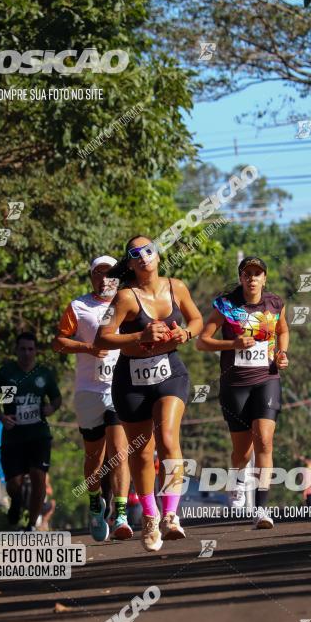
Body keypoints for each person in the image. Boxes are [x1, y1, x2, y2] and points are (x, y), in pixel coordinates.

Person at [94, 236, 203, 552]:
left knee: (168, 438)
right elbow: (103, 337)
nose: (143, 257)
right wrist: (140, 334)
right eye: (135, 254)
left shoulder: (176, 287)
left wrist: (187, 332)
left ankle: (171, 514)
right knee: (142, 452)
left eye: (148, 250)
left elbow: (196, 320)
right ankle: (151, 518)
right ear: (129, 263)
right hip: (131, 380)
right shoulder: (125, 298)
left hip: (170, 373)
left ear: (157, 255)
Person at [197, 256, 289, 529]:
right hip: (235, 384)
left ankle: (261, 509)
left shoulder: (275, 304)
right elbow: (202, 342)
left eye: (257, 273)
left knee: (264, 439)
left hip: (267, 379)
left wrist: (282, 353)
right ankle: (237, 481)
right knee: (242, 452)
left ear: (264, 278)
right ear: (240, 278)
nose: (252, 278)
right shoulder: (226, 305)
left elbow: (283, 330)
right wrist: (232, 343)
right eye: (247, 273)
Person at [52, 256, 133, 542]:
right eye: (98, 274)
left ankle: (121, 513)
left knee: (119, 449)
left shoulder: (127, 303)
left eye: (110, 274)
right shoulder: (78, 306)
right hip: (88, 390)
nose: (104, 279)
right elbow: (58, 342)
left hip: (118, 387)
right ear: (91, 278)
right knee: (93, 457)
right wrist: (87, 347)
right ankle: (96, 504)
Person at [0, 332, 62, 531]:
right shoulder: (6, 374)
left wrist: (50, 409)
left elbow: (56, 399)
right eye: (23, 349)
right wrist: (2, 417)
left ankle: (30, 524)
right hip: (14, 437)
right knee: (14, 484)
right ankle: (17, 502)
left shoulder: (43, 374)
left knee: (39, 477)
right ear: (16, 350)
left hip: (38, 436)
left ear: (35, 351)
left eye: (31, 349)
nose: (27, 353)